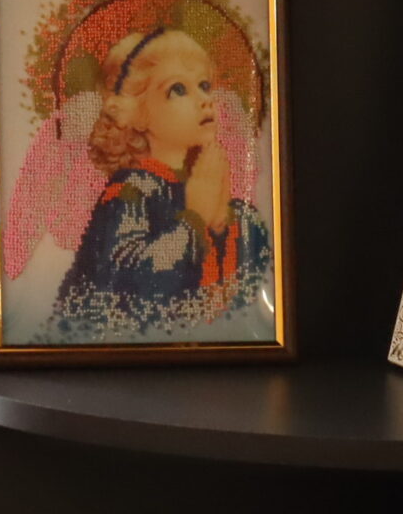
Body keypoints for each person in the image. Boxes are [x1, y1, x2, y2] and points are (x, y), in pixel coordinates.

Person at [47, 27, 274, 342]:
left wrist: (227, 224)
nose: (205, 100)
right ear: (136, 113)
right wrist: (195, 219)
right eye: (178, 89)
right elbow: (127, 284)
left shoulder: (206, 186)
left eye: (204, 85)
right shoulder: (131, 193)